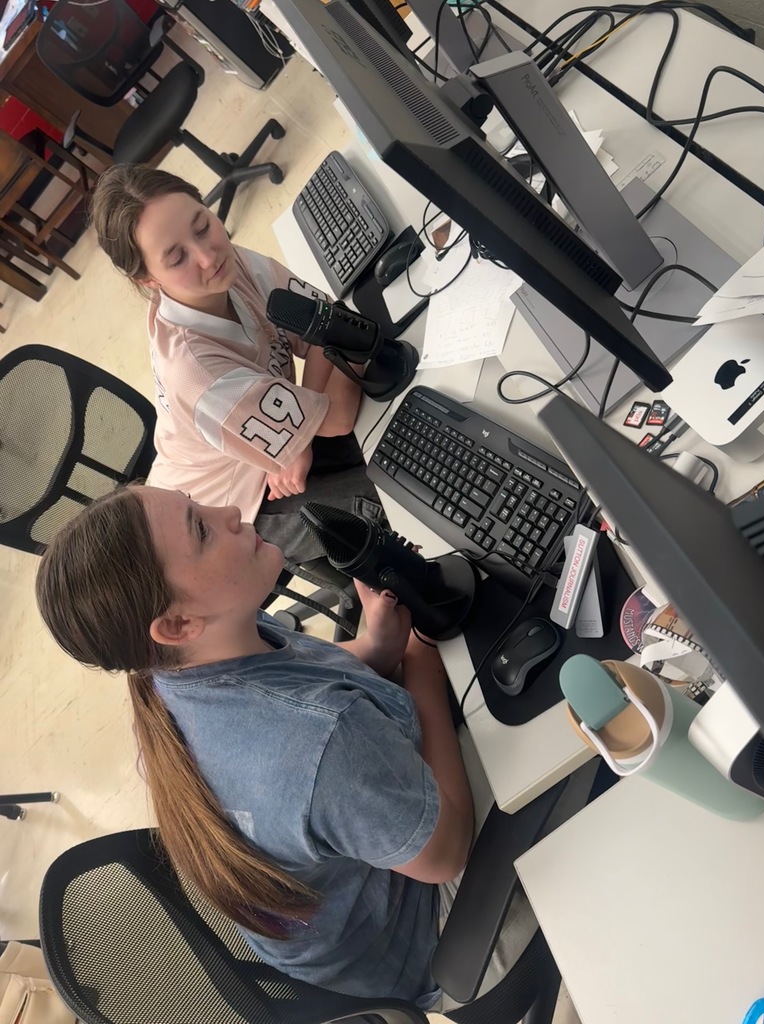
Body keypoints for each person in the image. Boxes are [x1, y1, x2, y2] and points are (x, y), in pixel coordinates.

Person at [35, 484, 476, 1008]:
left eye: (195, 503)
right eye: (201, 529)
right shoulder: (315, 744)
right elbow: (447, 853)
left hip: (377, 862)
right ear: (176, 624)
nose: (229, 511)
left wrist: (377, 649)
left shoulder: (195, 651)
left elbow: (307, 678)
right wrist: (420, 650)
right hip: (435, 938)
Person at [90, 164, 382, 563]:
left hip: (274, 452)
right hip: (235, 509)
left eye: (202, 226)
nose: (207, 256)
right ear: (148, 280)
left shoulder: (229, 265)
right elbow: (339, 410)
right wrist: (312, 417)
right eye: (177, 258)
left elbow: (325, 323)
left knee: (389, 417)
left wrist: (300, 434)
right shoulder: (198, 373)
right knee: (393, 492)